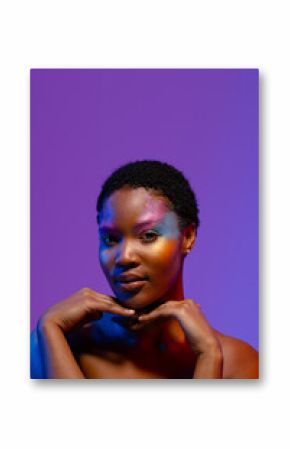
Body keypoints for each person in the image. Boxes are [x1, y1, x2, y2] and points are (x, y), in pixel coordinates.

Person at [30, 160, 259, 379]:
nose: (124, 257)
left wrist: (209, 356)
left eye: (148, 236)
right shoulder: (58, 342)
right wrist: (50, 329)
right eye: (110, 239)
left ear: (187, 237)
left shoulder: (237, 362)